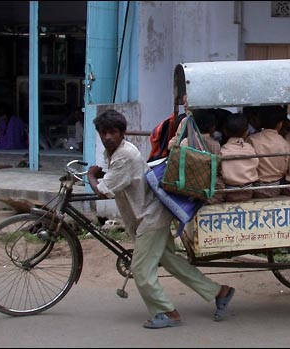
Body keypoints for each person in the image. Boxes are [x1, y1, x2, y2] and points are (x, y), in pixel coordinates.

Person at [87, 109, 235, 329]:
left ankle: (167, 312)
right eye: (103, 132)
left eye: (112, 132)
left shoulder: (124, 155)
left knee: (141, 271)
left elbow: (104, 191)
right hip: (151, 213)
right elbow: (115, 179)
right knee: (170, 260)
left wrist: (91, 175)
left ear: (122, 133)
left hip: (150, 218)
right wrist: (101, 175)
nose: (107, 137)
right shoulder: (117, 153)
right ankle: (218, 291)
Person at [247, 105, 290, 198]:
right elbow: (285, 169)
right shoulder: (284, 143)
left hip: (256, 188)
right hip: (276, 188)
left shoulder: (251, 139)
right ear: (280, 124)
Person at [220, 113, 259, 202]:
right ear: (246, 132)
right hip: (248, 192)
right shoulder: (249, 148)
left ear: (225, 131)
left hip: (229, 193)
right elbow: (256, 165)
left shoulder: (222, 150)